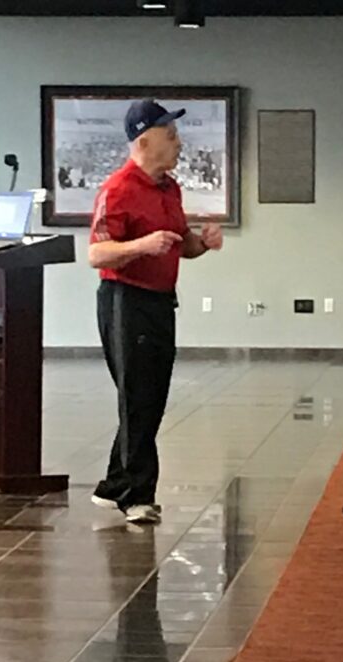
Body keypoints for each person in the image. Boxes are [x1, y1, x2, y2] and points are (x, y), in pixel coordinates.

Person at [88, 99, 224, 524]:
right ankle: (136, 496)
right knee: (139, 398)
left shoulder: (170, 188)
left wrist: (203, 242)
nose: (179, 143)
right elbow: (96, 253)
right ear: (144, 140)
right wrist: (140, 246)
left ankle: (113, 485)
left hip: (161, 300)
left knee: (149, 397)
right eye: (171, 135)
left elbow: (182, 243)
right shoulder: (117, 188)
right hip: (125, 301)